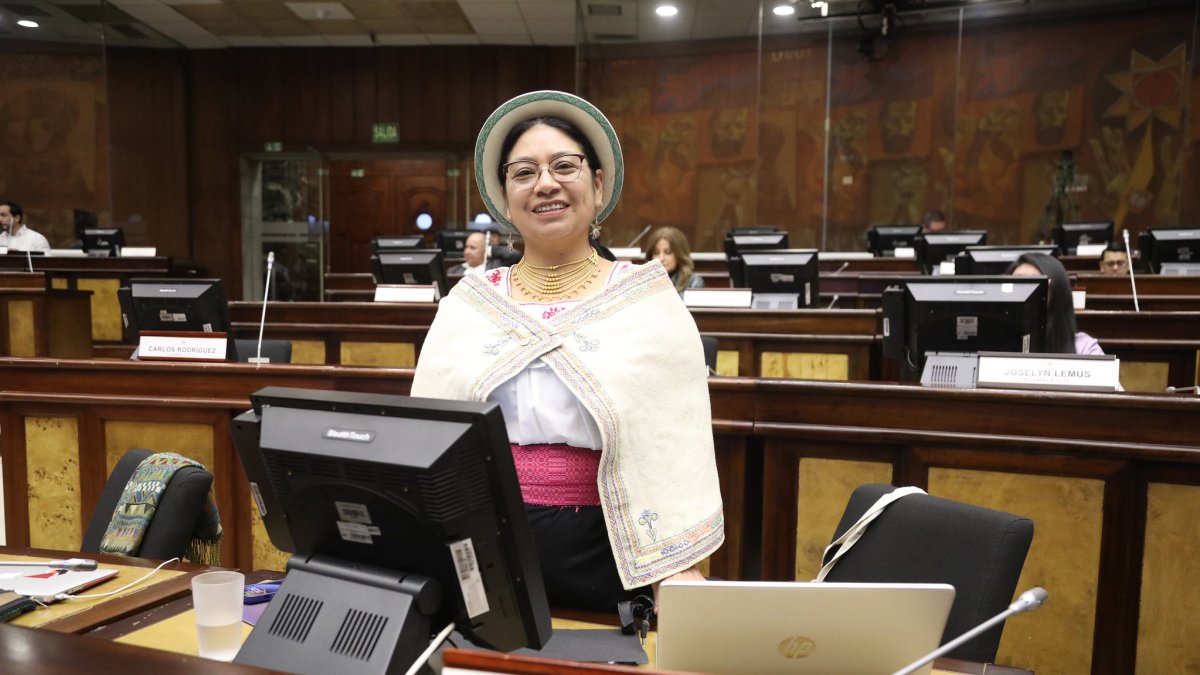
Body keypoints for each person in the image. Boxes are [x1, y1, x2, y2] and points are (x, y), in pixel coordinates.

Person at [411, 91, 724, 612]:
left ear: (597, 185)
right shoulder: (469, 304)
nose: (545, 184)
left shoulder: (646, 300)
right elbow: (428, 435)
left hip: (615, 551)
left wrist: (677, 565)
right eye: (524, 173)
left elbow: (675, 447)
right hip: (483, 548)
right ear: (505, 198)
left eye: (564, 166)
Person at [1007, 253, 1105, 356]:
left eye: (1035, 284)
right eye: (1017, 283)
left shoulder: (1084, 348)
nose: (1024, 292)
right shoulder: (996, 341)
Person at [644, 226, 704, 296]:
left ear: (679, 254)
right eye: (656, 252)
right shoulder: (644, 281)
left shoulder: (693, 282)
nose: (661, 258)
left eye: (668, 252)